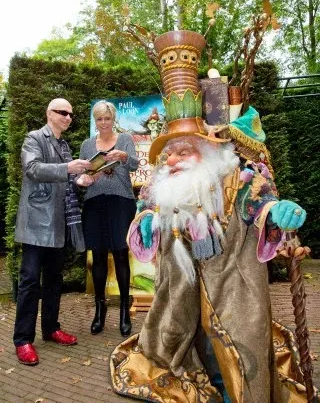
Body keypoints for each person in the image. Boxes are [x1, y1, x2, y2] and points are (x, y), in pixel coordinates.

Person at [110, 30, 316, 402]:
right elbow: (141, 229)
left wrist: (276, 214)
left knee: (238, 361)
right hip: (181, 298)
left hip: (235, 294)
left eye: (183, 151)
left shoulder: (239, 179)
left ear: (208, 150)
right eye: (168, 153)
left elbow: (259, 209)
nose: (172, 160)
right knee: (192, 355)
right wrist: (151, 222)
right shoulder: (158, 190)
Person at [13, 98, 92, 366]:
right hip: (36, 224)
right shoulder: (34, 138)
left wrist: (82, 179)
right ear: (49, 113)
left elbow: (69, 180)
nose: (69, 117)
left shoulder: (64, 145)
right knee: (30, 282)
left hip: (58, 224)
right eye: (63, 112)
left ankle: (50, 329)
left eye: (71, 114)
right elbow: (32, 169)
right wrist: (68, 168)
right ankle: (23, 340)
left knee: (54, 280)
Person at [76, 100, 138, 337]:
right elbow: (82, 174)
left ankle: (124, 310)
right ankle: (99, 311)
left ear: (114, 119)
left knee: (121, 254)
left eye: (107, 118)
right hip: (94, 202)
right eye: (99, 119)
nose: (103, 123)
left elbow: (134, 165)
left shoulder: (125, 140)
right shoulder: (86, 144)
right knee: (98, 256)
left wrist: (123, 157)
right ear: (95, 121)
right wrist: (85, 178)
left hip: (121, 201)